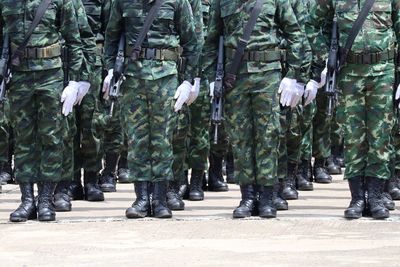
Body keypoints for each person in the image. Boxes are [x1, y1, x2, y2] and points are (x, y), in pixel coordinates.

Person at [202, 0, 307, 218]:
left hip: (267, 75)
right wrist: (212, 78)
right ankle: (247, 196)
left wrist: (293, 75)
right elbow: (211, 41)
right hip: (235, 77)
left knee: (268, 136)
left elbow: (296, 35)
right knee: (241, 139)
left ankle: (268, 196)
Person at [104, 0, 201, 219]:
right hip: (133, 78)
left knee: (162, 139)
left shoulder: (176, 2)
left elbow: (192, 42)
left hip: (165, 77)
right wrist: (110, 70)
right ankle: (140, 199)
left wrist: (188, 81)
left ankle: (159, 198)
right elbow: (111, 37)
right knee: (137, 140)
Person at [307, 0, 400, 219]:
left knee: (380, 135)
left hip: (382, 73)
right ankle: (357, 197)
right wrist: (325, 58)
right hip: (349, 73)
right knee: (353, 136)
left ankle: (376, 196)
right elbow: (312, 25)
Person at [1, 0, 84, 222]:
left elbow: (75, 40)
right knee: (23, 139)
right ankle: (27, 200)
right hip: (19, 76)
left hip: (51, 75)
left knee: (51, 137)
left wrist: (75, 81)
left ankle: (46, 199)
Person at [53, 0, 99, 212]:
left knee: (90, 128)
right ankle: (69, 181)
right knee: (65, 130)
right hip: (56, 71)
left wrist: (85, 77)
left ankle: (91, 179)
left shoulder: (76, 5)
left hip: (83, 73)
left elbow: (87, 38)